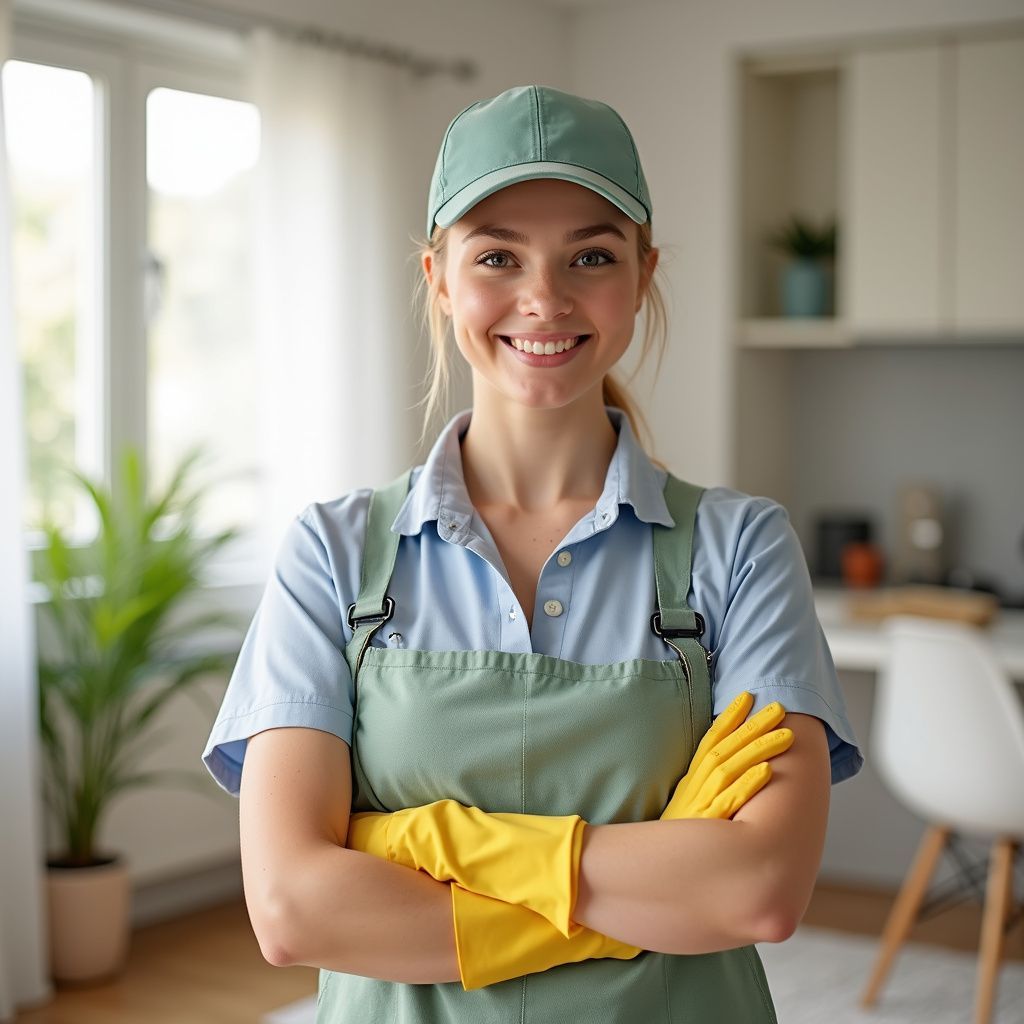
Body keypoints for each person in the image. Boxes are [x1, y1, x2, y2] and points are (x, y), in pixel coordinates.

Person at [201, 84, 864, 1021]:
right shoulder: (336, 553)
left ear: (642, 274)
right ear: (438, 276)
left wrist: (432, 839)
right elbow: (293, 909)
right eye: (497, 256)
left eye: (590, 255)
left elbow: (756, 889)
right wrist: (661, 866)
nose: (543, 298)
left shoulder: (741, 547)